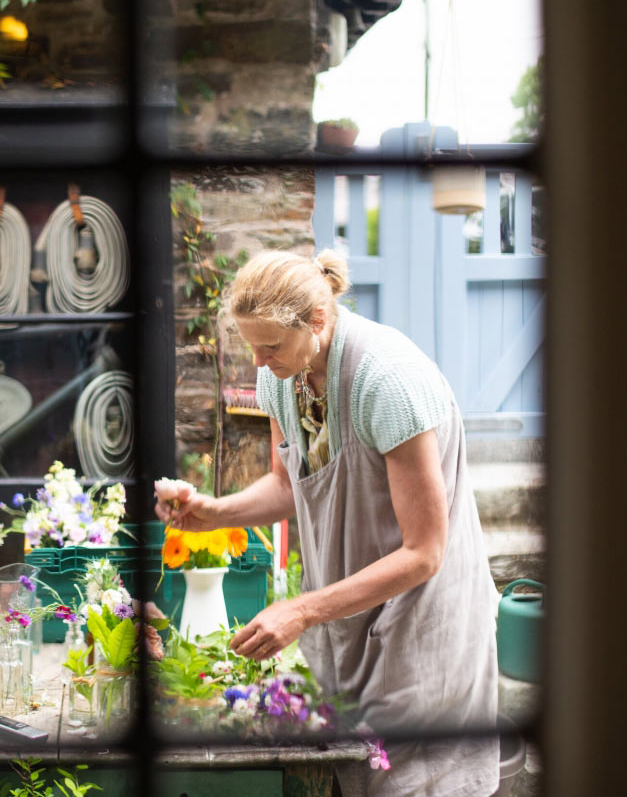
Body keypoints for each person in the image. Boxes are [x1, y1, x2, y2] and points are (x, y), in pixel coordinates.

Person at [154, 249, 500, 797]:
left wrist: (302, 609)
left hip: (422, 623)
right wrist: (211, 515)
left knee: (419, 781)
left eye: (270, 346)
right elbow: (290, 484)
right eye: (250, 345)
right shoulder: (282, 378)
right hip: (352, 621)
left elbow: (425, 551)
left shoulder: (389, 382)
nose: (259, 361)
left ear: (317, 321)